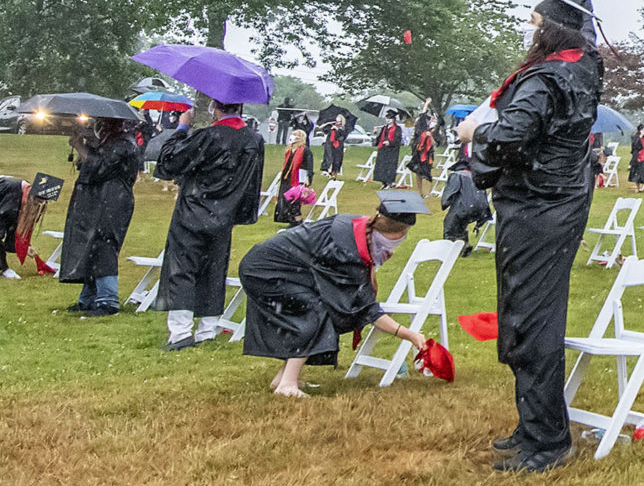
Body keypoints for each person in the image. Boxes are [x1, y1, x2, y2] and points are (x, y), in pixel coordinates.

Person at [460, 0, 605, 474]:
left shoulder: (545, 80)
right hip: (560, 202)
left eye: (537, 22)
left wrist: (474, 134)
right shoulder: (582, 63)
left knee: (531, 318)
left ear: (552, 32)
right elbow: (580, 7)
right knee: (527, 314)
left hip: (537, 206)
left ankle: (547, 440)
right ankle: (532, 426)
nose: (532, 29)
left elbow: (511, 137)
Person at [241, 188, 442, 399]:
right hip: (266, 271)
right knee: (316, 311)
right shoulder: (348, 251)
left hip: (270, 264)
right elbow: (367, 309)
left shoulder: (355, 226)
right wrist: (411, 335)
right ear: (400, 233)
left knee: (323, 307)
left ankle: (283, 378)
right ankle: (287, 385)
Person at [155, 99, 265, 352]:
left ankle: (181, 332)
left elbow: (171, 162)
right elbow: (252, 182)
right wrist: (240, 214)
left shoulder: (209, 135)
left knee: (181, 269)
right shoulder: (253, 140)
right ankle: (207, 328)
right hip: (225, 213)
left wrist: (182, 128)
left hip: (193, 210)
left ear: (215, 106)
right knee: (214, 270)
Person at [58, 117, 142, 315]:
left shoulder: (123, 145)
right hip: (100, 200)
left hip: (112, 201)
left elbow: (99, 167)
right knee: (92, 245)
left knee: (105, 245)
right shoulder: (112, 142)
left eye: (104, 124)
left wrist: (80, 146)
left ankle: (108, 299)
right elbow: (91, 165)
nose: (100, 127)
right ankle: (89, 298)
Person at [270, 125, 316, 226]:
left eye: (295, 135)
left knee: (294, 200)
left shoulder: (305, 150)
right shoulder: (290, 150)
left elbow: (309, 165)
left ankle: (298, 221)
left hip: (297, 178)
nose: (292, 136)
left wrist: (308, 178)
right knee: (285, 199)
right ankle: (290, 219)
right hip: (287, 178)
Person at [372, 111, 404, 188]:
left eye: (390, 118)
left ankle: (389, 182)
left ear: (394, 119)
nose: (388, 120)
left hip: (391, 151)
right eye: (387, 118)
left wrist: (390, 142)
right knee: (382, 166)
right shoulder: (384, 128)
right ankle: (383, 182)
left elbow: (398, 140)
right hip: (383, 150)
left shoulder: (397, 128)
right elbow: (380, 138)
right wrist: (376, 133)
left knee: (389, 167)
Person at [409, 116, 437, 190]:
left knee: (428, 172)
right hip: (418, 154)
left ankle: (428, 192)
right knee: (418, 172)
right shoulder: (417, 133)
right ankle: (420, 191)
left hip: (428, 154)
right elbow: (414, 143)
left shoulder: (431, 131)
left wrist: (430, 136)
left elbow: (434, 143)